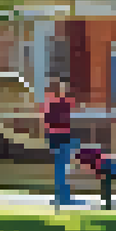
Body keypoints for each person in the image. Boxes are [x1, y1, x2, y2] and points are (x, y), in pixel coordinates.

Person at [42, 80, 83, 209]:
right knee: (62, 169)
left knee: (60, 169)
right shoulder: (64, 103)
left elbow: (47, 121)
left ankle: (61, 197)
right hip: (61, 137)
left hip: (57, 137)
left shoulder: (51, 102)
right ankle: (63, 198)